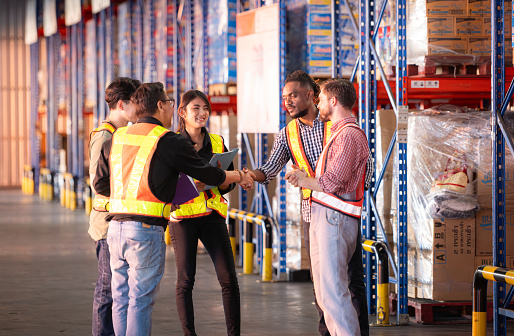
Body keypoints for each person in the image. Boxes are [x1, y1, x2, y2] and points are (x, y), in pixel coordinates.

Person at [93, 82, 253, 336]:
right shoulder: (166, 139)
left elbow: (100, 183)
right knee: (140, 301)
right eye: (169, 103)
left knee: (121, 298)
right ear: (161, 106)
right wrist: (237, 175)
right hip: (145, 231)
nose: (170, 107)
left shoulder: (118, 137)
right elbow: (207, 172)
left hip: (115, 230)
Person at [245, 70, 370, 336]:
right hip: (313, 213)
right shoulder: (288, 133)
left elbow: (361, 168)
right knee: (322, 285)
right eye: (284, 97)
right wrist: (246, 176)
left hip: (341, 210)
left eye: (293, 95)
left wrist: (343, 190)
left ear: (312, 96)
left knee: (350, 282)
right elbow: (270, 168)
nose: (287, 102)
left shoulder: (337, 125)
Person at [286, 78, 369, 336]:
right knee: (324, 293)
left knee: (334, 291)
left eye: (321, 99)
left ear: (334, 101)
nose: (318, 103)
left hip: (336, 218)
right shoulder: (338, 133)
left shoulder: (349, 136)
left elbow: (334, 181)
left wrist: (302, 179)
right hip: (326, 215)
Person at [169, 90, 240, 336]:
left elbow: (228, 184)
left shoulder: (217, 142)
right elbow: (163, 184)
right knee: (186, 281)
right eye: (195, 108)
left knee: (229, 279)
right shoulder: (172, 143)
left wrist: (218, 181)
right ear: (182, 113)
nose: (202, 113)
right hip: (183, 218)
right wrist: (190, 186)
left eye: (205, 109)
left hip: (212, 215)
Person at [88, 77, 141, 336]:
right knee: (108, 289)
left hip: (119, 220)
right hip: (107, 223)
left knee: (120, 288)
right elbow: (98, 183)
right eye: (135, 102)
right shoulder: (105, 135)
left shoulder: (121, 134)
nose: (140, 109)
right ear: (122, 104)